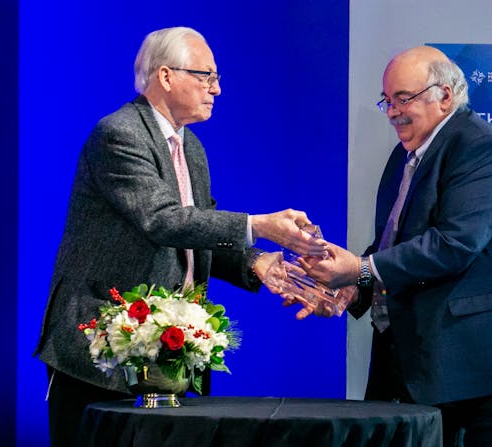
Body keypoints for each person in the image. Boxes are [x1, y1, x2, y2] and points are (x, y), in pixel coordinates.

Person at [34, 26, 327, 446]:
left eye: (217, 78)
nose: (217, 89)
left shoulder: (192, 149)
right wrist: (258, 224)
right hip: (99, 349)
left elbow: (196, 227)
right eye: (206, 76)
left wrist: (255, 262)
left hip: (166, 353)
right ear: (166, 76)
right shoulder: (119, 134)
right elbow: (162, 219)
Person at [298, 46, 492, 446]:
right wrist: (349, 288)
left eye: (403, 98)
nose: (392, 111)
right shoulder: (405, 155)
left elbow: (455, 243)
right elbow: (395, 242)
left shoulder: (479, 145)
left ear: (445, 96)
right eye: (387, 101)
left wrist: (359, 268)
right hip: (442, 362)